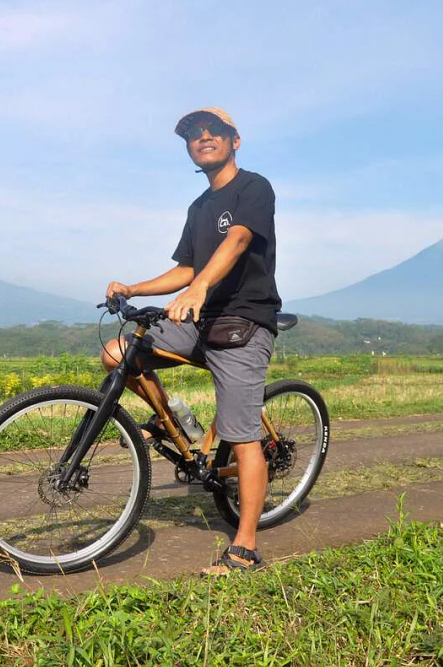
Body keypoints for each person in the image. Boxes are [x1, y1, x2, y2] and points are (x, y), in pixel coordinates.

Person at [101, 107, 281, 575]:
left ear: (234, 141)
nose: (202, 138)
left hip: (243, 323)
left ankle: (244, 546)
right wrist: (135, 287)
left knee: (244, 439)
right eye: (193, 135)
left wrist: (200, 288)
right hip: (199, 321)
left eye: (213, 132)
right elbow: (186, 267)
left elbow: (239, 240)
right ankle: (177, 420)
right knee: (118, 353)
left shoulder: (253, 189)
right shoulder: (198, 207)